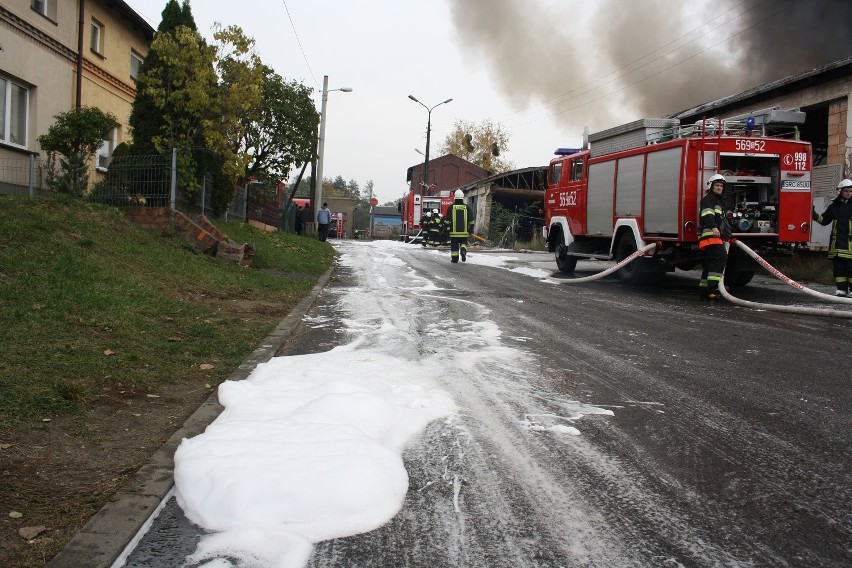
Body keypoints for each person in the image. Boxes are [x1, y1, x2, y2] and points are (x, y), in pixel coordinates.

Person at [812, 178, 852, 296]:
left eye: (850, 191)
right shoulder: (833, 206)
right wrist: (813, 214)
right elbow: (824, 220)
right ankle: (841, 290)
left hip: (850, 245)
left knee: (851, 269)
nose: (849, 193)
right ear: (840, 192)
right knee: (839, 269)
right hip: (838, 245)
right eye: (846, 191)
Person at [698, 173, 731, 299]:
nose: (719, 188)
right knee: (720, 257)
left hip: (716, 236)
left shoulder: (718, 201)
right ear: (711, 186)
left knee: (710, 262)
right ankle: (713, 287)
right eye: (717, 185)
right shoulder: (709, 199)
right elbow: (707, 214)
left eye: (721, 186)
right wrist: (713, 227)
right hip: (710, 235)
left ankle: (704, 290)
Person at [448, 189, 474, 263]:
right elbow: (471, 221)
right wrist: (471, 229)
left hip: (453, 233)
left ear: (455, 197)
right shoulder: (467, 207)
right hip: (464, 232)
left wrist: (445, 229)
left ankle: (455, 259)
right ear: (462, 197)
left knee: (454, 246)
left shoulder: (451, 207)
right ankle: (463, 250)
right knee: (463, 242)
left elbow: (447, 221)